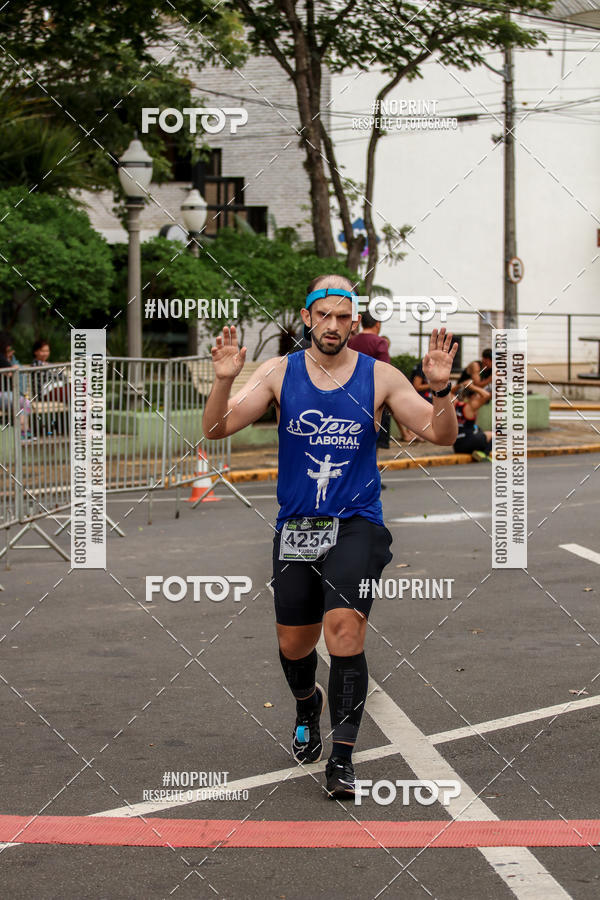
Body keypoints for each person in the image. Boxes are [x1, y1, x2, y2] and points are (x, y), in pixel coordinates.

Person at [202, 274, 458, 799]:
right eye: (325, 315)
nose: (334, 326)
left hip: (357, 523)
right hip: (298, 526)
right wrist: (225, 379)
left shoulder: (381, 377)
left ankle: (342, 756)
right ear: (307, 316)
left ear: (355, 321)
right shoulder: (279, 372)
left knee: (345, 629)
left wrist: (441, 390)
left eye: (345, 317)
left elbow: (442, 435)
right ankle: (305, 705)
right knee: (294, 644)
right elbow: (216, 429)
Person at [348, 309, 396, 481]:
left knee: (353, 441)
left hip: (351, 397)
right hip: (373, 398)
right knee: (373, 441)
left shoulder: (351, 342)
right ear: (377, 324)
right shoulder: (379, 342)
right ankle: (370, 478)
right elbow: (385, 372)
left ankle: (355, 477)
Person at [454, 384, 493, 461]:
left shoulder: (455, 404)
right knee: (494, 435)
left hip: (457, 446)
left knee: (479, 430)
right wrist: (472, 386)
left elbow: (450, 392)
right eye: (477, 395)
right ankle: (485, 455)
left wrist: (459, 385)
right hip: (468, 443)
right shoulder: (470, 406)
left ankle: (477, 452)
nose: (479, 397)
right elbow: (488, 395)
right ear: (472, 396)